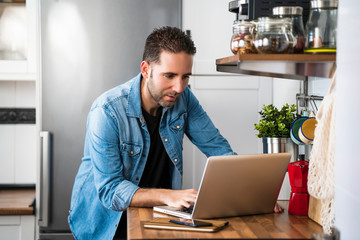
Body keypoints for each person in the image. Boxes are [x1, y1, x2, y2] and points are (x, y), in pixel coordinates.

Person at [68, 26, 281, 240]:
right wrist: (170, 196)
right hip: (105, 223)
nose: (179, 87)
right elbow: (110, 191)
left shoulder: (184, 98)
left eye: (185, 77)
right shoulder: (107, 110)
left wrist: (253, 194)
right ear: (146, 69)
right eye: (169, 76)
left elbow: (217, 148)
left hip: (158, 214)